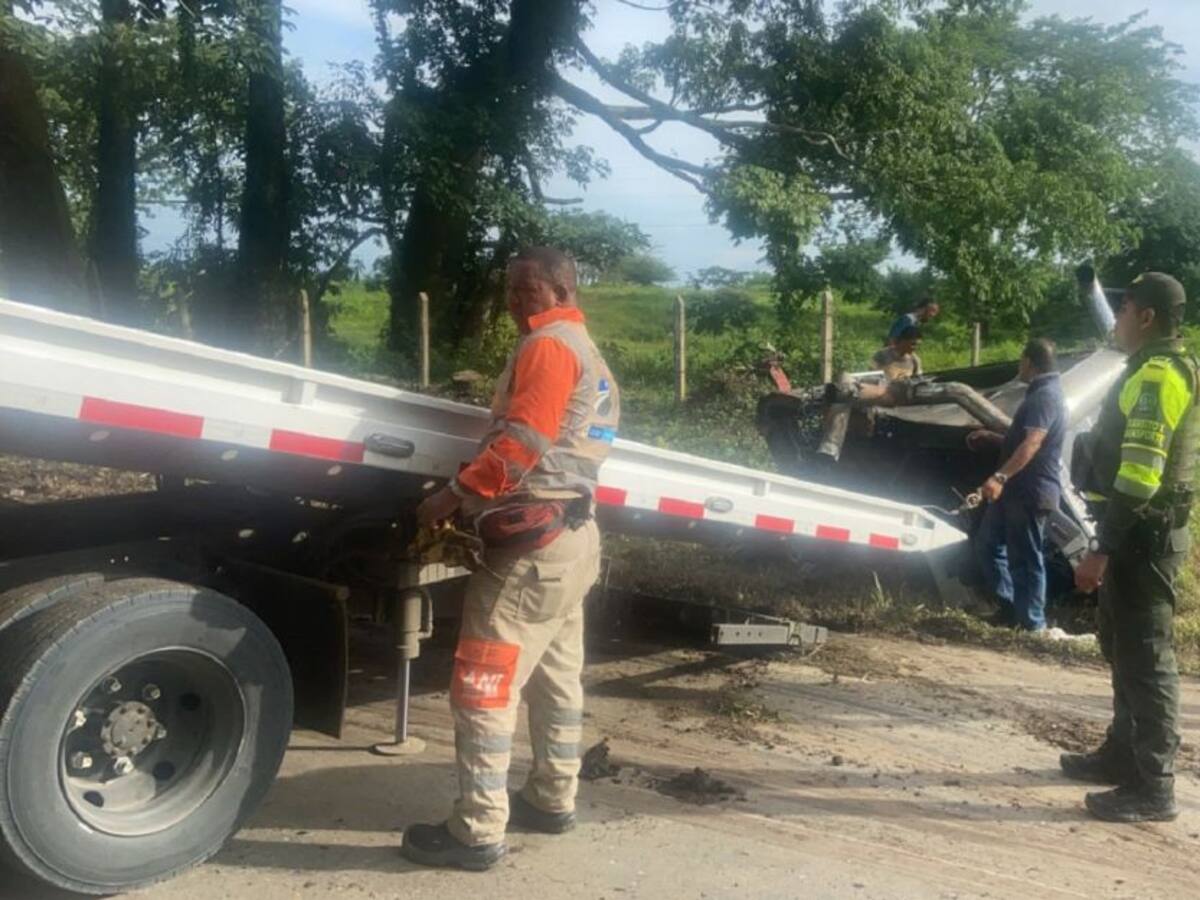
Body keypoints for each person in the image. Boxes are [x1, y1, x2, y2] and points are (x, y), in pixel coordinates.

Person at [401, 247, 620, 870]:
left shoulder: (550, 347)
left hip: (530, 552)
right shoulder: (590, 354)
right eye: (511, 289)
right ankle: (551, 798)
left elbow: (523, 442)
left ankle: (475, 831)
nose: (515, 300)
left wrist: (453, 494)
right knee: (555, 678)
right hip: (572, 543)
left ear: (560, 290)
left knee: (483, 689)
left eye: (527, 289)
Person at [1060, 273, 1197, 824]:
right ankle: (1121, 754)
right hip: (1138, 536)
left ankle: (1153, 785)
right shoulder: (1153, 367)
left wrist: (1101, 548)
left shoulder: (1160, 374)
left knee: (1147, 659)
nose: (1115, 320)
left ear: (1147, 318)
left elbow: (1141, 476)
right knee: (1122, 648)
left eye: (1124, 311)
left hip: (1143, 538)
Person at [966, 339, 1066, 632]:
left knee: (1025, 559)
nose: (1019, 365)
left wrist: (999, 477)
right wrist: (994, 439)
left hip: (1028, 491)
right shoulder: (1042, 393)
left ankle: (1033, 624)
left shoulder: (1045, 396)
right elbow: (1027, 442)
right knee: (988, 545)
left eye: (1021, 360)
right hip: (1015, 491)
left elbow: (1034, 443)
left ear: (1029, 362)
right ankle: (1009, 610)